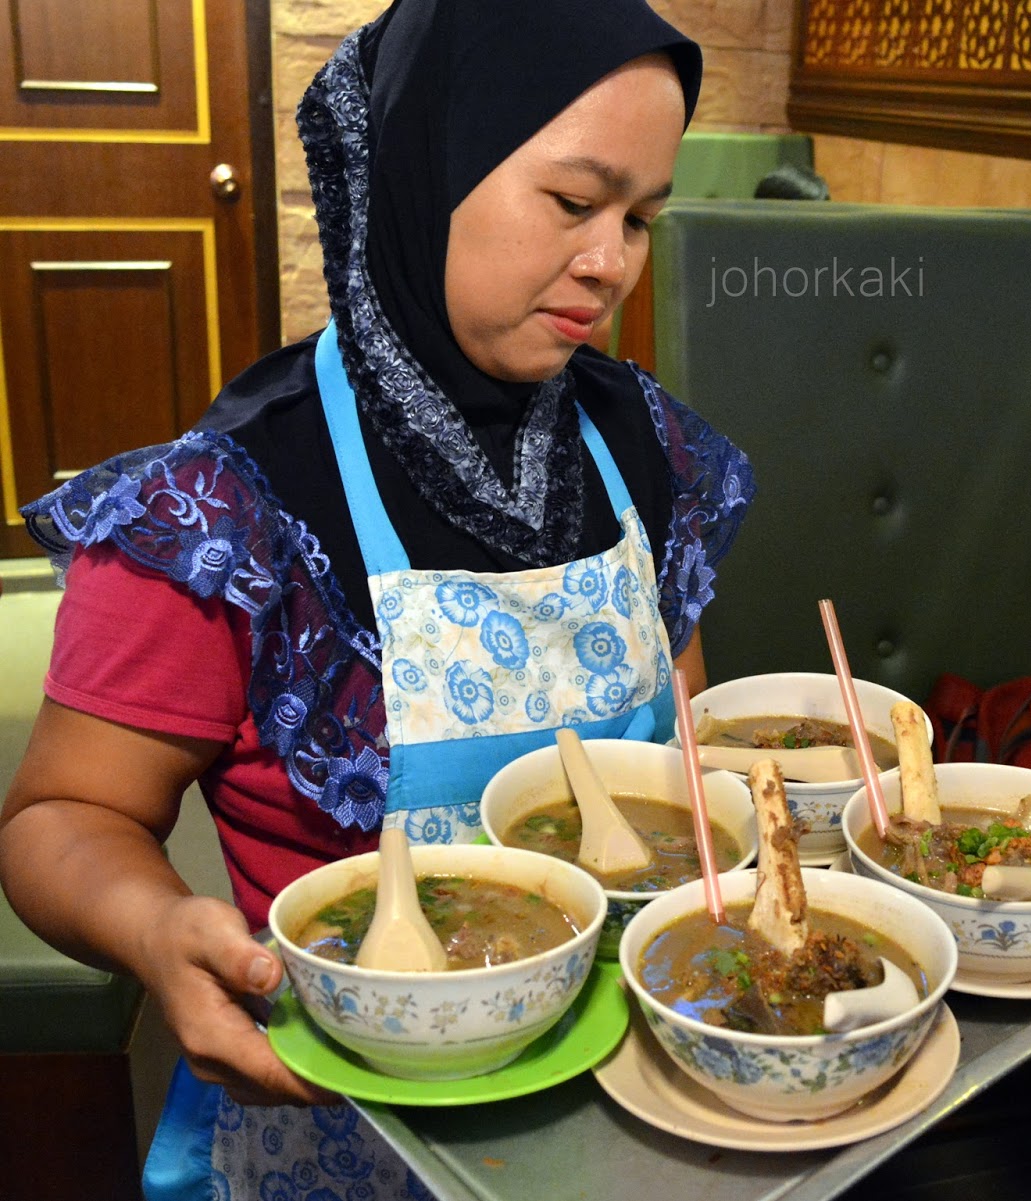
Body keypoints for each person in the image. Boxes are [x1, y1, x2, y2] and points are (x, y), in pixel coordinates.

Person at [0, 1, 753, 1196]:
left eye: (641, 218)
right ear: (424, 168)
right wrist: (154, 933)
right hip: (346, 1121)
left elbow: (684, 750)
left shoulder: (644, 450)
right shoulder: (231, 506)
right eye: (572, 202)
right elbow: (57, 821)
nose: (610, 262)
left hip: (645, 1109)